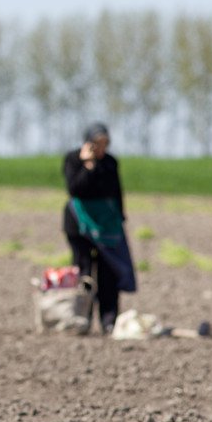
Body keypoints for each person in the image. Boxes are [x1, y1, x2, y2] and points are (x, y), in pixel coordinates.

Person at [63, 123, 136, 333]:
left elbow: (115, 192)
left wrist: (120, 219)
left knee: (108, 272)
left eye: (105, 144)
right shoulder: (73, 159)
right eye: (97, 143)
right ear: (88, 143)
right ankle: (81, 318)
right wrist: (88, 164)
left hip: (107, 226)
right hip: (79, 227)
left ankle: (108, 320)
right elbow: (75, 189)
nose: (101, 148)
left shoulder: (111, 163)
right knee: (83, 271)